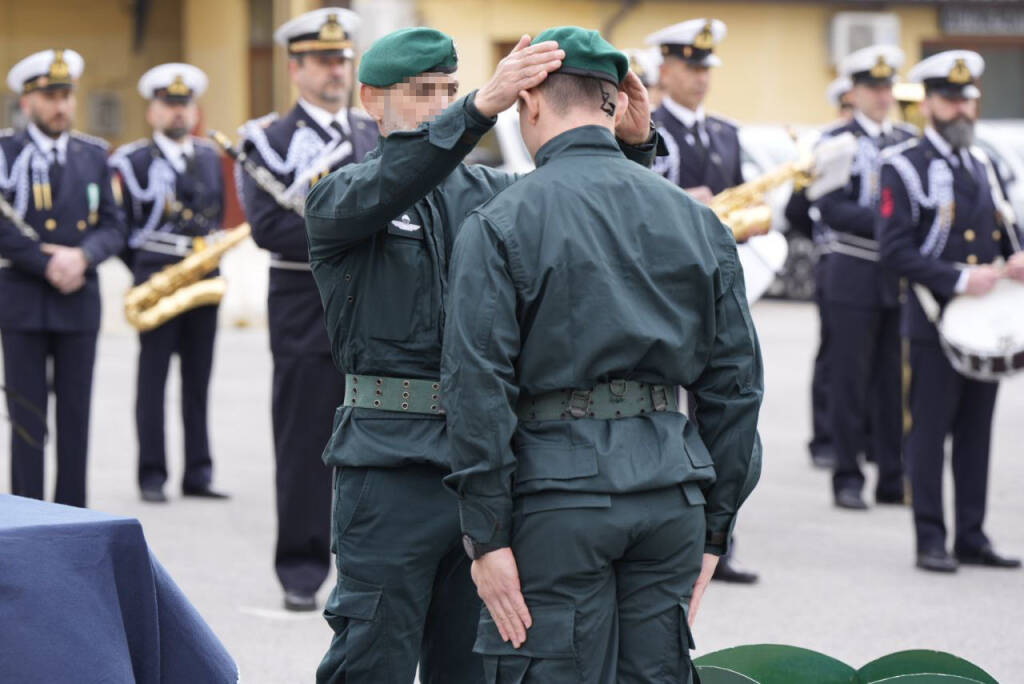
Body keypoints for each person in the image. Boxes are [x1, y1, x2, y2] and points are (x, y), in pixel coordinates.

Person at [304, 25, 658, 683]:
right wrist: (476, 111)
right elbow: (396, 179)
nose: (437, 103)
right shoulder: (342, 196)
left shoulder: (491, 195)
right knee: (370, 659)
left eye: (447, 89)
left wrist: (629, 150)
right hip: (388, 471)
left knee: (476, 667)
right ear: (368, 100)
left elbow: (581, 210)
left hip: (480, 469)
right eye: (420, 92)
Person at [443, 26, 763, 683]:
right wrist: (715, 531)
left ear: (530, 103)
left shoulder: (503, 221)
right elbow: (737, 387)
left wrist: (487, 537)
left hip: (559, 502)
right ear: (616, 103)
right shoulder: (698, 220)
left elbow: (478, 389)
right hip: (672, 494)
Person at [237, 7, 378, 611]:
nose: (336, 71)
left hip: (373, 304)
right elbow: (270, 226)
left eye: (343, 59)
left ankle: (367, 564)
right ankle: (300, 568)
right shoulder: (264, 138)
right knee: (303, 442)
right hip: (304, 303)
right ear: (295, 68)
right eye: (323, 61)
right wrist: (353, 231)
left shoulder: (375, 132)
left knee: (376, 439)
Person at [878, 50, 1023, 572]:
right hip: (935, 320)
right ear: (929, 106)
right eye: (949, 100)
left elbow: (1003, 227)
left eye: (966, 100)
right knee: (930, 431)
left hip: (984, 326)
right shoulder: (903, 167)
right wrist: (961, 278)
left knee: (976, 432)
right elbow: (893, 250)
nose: (961, 110)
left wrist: (1016, 257)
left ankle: (973, 535)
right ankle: (931, 538)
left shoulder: (983, 162)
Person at [646, 17, 758, 583]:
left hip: (717, 284)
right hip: (667, 292)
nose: (699, 78)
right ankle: (672, 536)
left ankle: (720, 540)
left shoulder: (726, 133)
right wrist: (683, 200)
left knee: (722, 414)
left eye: (704, 68)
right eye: (689, 66)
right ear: (664, 68)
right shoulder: (649, 127)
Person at [0, 49, 126, 507]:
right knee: (27, 422)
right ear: (27, 101)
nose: (61, 106)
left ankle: (72, 521)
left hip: (78, 302)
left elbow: (114, 226)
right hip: (23, 302)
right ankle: (27, 521)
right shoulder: (5, 152)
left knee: (76, 421)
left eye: (67, 95)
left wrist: (83, 256)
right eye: (50, 96)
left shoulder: (93, 155)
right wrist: (45, 261)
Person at [109, 63, 227, 503]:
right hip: (158, 277)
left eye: (185, 105)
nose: (178, 113)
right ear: (152, 111)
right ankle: (152, 475)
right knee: (152, 382)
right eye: (169, 105)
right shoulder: (132, 161)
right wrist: (145, 273)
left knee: (198, 381)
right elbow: (120, 229)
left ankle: (198, 473)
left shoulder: (210, 157)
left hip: (204, 280)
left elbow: (212, 219)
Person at [814, 45, 916, 511]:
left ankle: (893, 476)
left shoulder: (909, 140)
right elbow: (830, 208)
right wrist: (890, 225)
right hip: (852, 267)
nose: (881, 95)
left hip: (896, 275)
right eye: (872, 87)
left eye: (886, 86)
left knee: (893, 381)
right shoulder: (835, 140)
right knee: (850, 379)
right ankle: (848, 475)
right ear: (852, 91)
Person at [787, 75, 855, 471]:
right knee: (834, 355)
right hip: (836, 259)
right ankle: (826, 437)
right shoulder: (824, 144)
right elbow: (798, 209)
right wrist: (824, 238)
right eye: (846, 107)